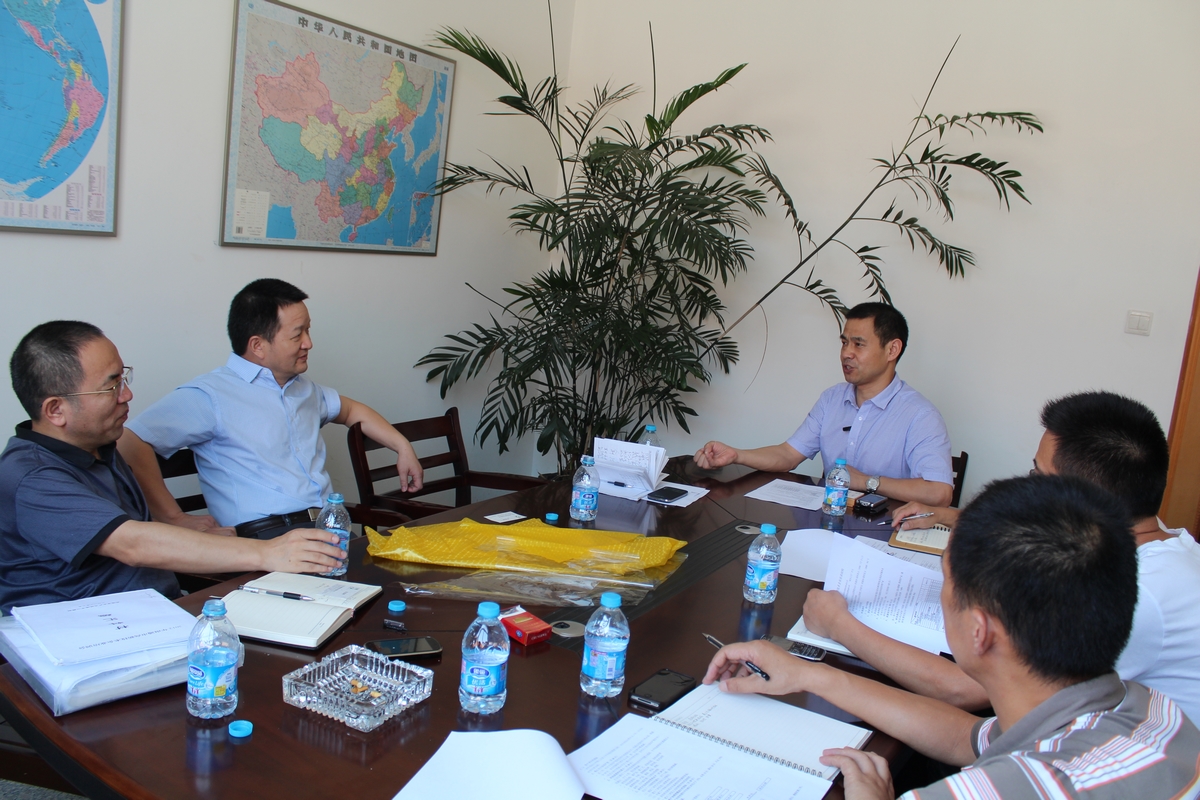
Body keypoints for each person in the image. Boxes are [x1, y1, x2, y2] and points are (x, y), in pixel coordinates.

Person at [705, 475, 1200, 799]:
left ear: (979, 631)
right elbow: (969, 737)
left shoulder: (997, 791)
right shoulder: (1152, 711)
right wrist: (811, 675)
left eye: (944, 583)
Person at [804, 391, 1200, 722]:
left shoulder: (1138, 596)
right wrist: (953, 516)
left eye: (1038, 476)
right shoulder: (1147, 541)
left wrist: (839, 624)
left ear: (1085, 498)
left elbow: (966, 690)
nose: (1030, 485)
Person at [0, 321, 346, 613]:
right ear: (56, 410)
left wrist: (184, 528)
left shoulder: (99, 447)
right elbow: (131, 544)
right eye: (111, 386)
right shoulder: (31, 476)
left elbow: (136, 530)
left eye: (124, 378)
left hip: (158, 609)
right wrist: (268, 552)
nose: (126, 395)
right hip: (85, 630)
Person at [118, 279, 424, 539]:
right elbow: (129, 441)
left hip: (328, 527)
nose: (309, 343)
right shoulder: (210, 395)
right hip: (264, 537)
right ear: (258, 346)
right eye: (297, 335)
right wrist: (172, 517)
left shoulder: (303, 388)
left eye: (308, 331)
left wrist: (402, 447)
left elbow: (351, 411)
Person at [693, 303, 953, 505]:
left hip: (881, 534)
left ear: (892, 350)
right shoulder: (832, 399)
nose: (846, 353)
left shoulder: (920, 415)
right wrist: (736, 455)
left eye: (858, 344)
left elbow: (939, 492)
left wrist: (866, 482)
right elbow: (788, 455)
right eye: (844, 343)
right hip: (827, 523)